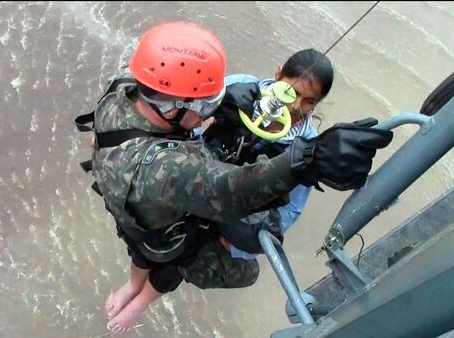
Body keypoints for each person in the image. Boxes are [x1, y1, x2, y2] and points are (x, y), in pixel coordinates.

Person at [75, 21, 393, 333]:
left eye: (214, 99)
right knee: (184, 252)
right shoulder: (166, 168)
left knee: (145, 246)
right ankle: (137, 296)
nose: (208, 111)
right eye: (205, 104)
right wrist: (306, 159)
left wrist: (223, 100)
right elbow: (223, 189)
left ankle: (135, 291)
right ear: (171, 108)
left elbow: (288, 208)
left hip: (134, 213)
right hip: (174, 212)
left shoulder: (123, 90)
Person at [199, 49, 333, 259]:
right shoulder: (242, 86)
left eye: (309, 101)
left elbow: (292, 210)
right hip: (199, 173)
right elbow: (193, 113)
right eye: (293, 93)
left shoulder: (306, 147)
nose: (296, 106)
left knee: (245, 268)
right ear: (278, 75)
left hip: (239, 204)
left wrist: (239, 248)